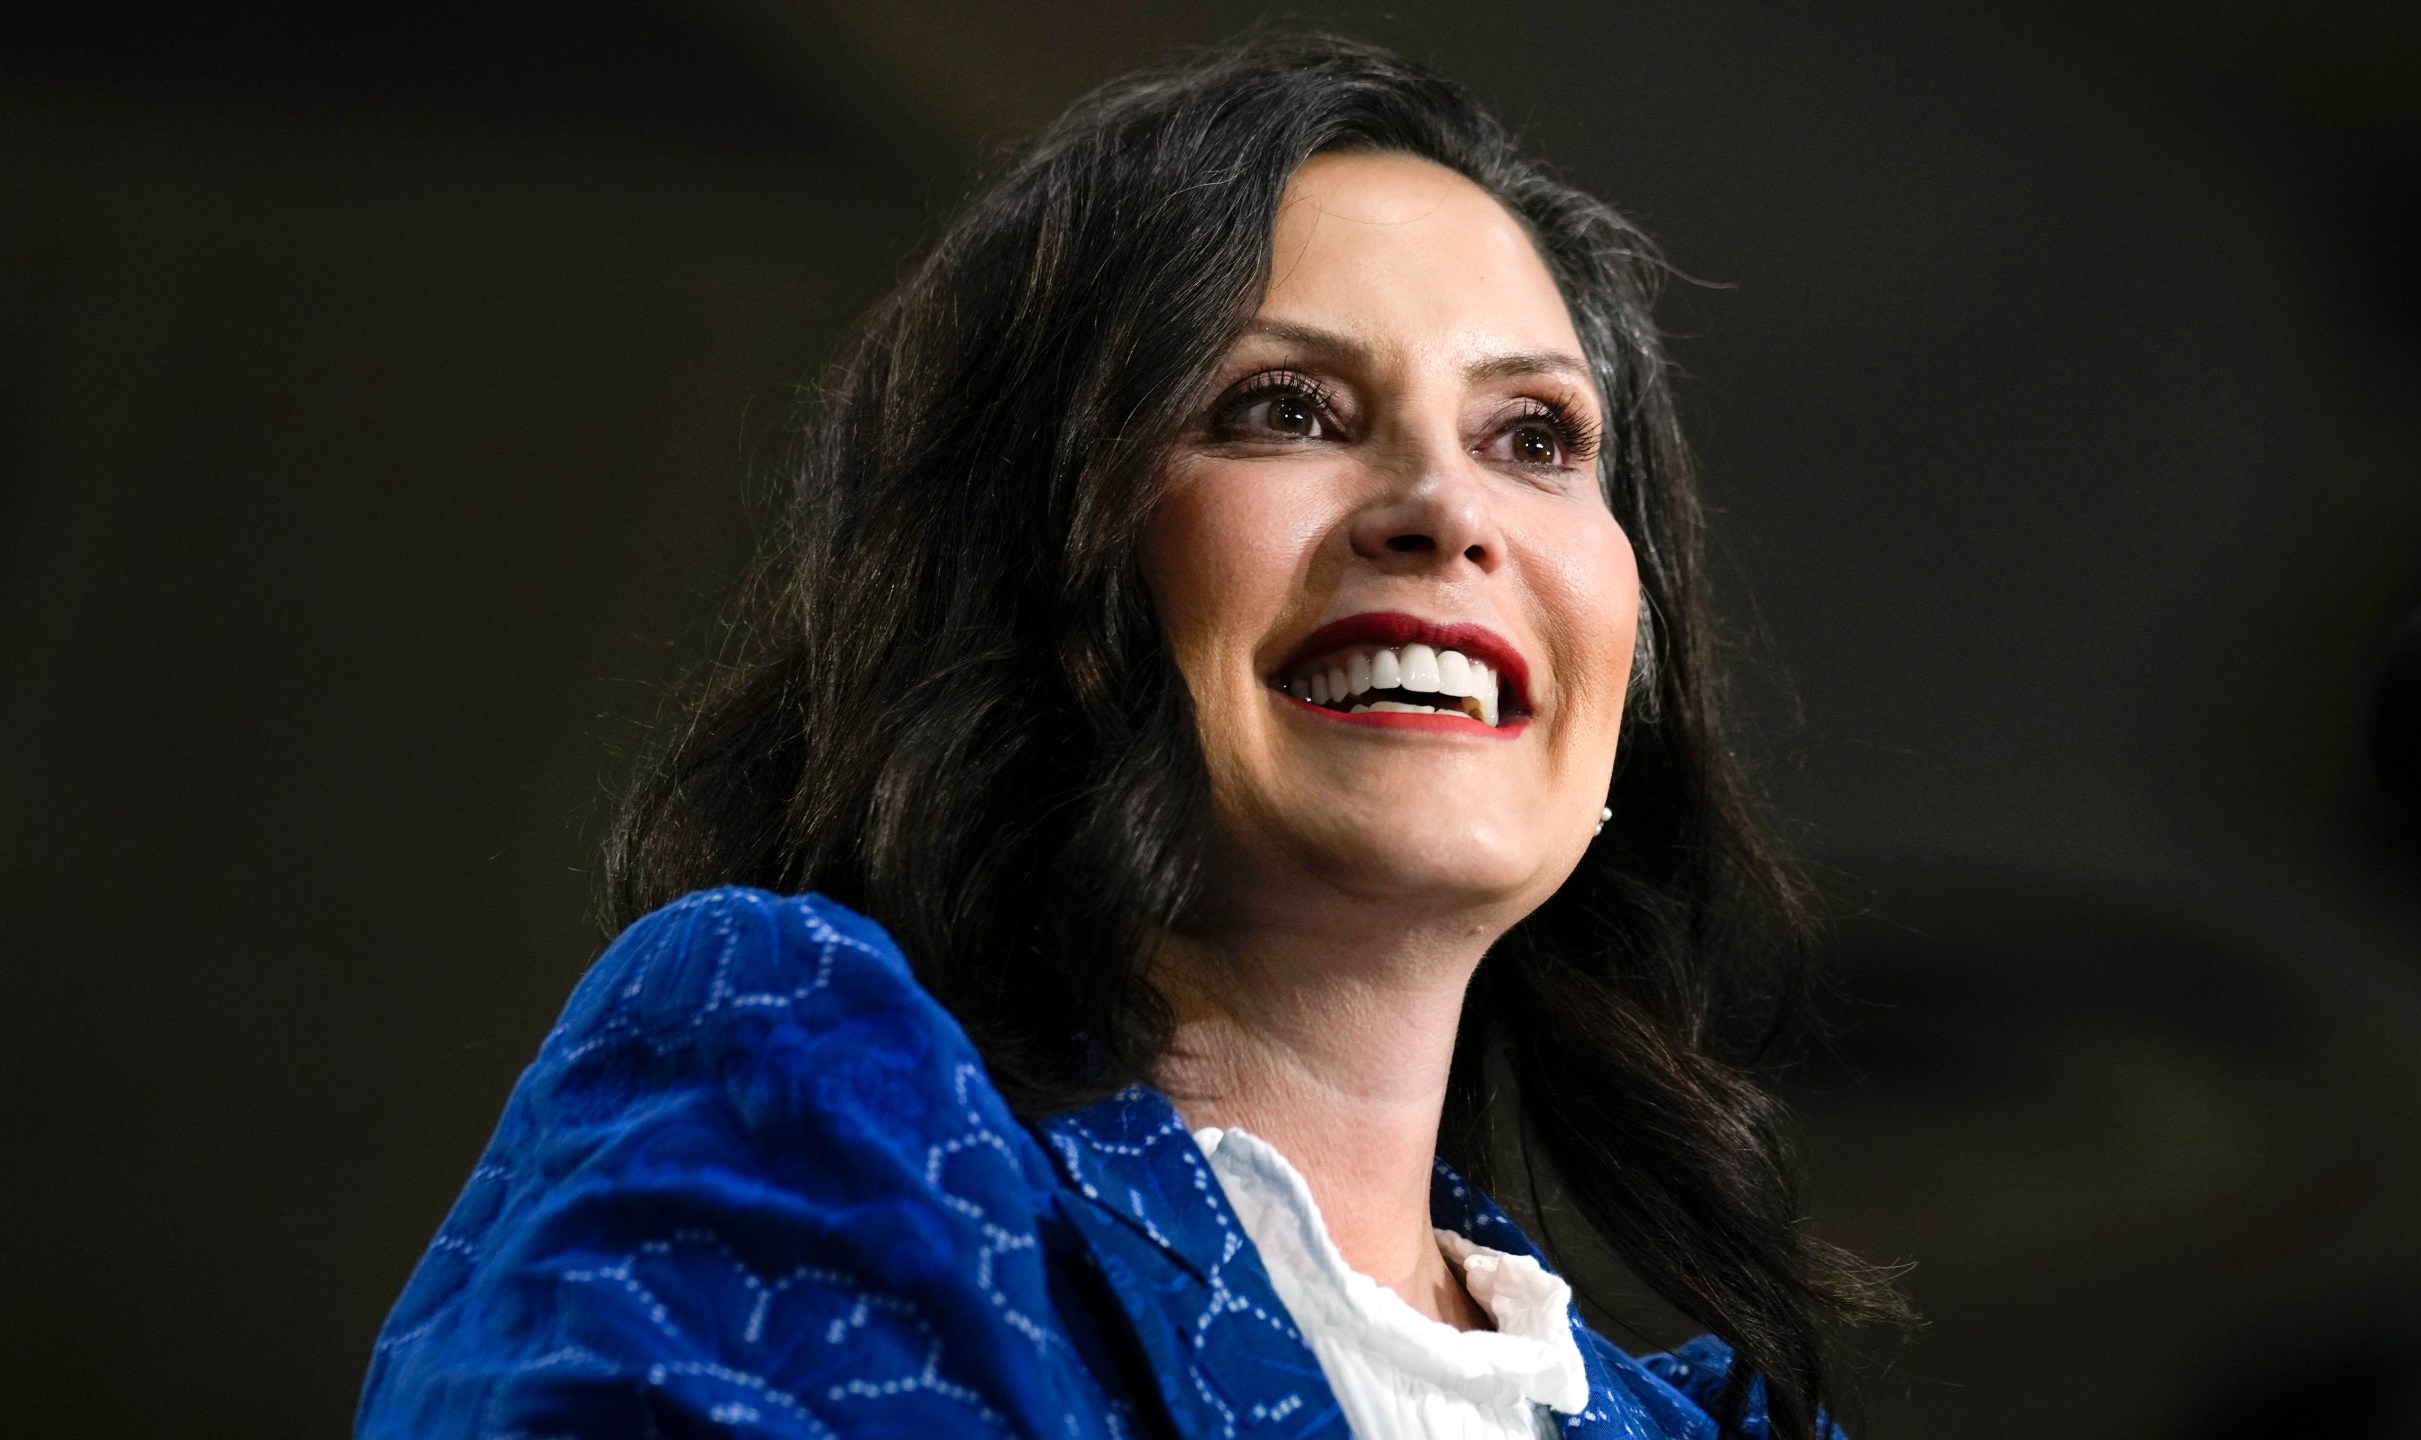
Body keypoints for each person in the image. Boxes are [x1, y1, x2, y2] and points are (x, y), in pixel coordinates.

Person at [358, 35, 1903, 1440]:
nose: (1447, 511)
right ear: (1041, 567)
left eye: (1536, 438)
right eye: (1285, 408)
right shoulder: (803, 1077)